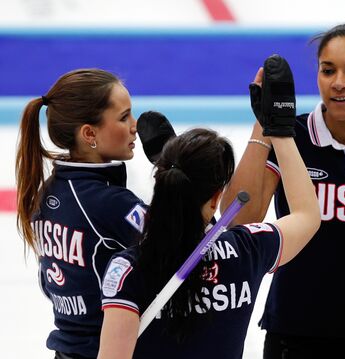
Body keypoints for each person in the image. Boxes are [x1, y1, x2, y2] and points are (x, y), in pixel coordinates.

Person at [220, 23, 345, 358]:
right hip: (296, 330)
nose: (339, 82)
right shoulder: (292, 136)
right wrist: (265, 127)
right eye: (327, 70)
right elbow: (237, 221)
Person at [96, 125, 320, 357]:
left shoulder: (127, 269)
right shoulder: (247, 249)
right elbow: (307, 215)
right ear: (215, 200)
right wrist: (279, 130)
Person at [15, 68, 146, 359]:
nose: (135, 125)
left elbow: (49, 285)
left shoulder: (46, 193)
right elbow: (193, 245)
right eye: (124, 117)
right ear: (90, 134)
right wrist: (173, 166)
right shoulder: (110, 203)